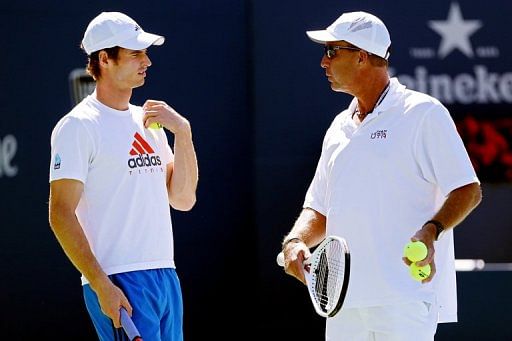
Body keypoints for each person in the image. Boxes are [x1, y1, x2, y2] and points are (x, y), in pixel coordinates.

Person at [280, 11, 482, 341]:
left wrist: (431, 231)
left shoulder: (422, 113)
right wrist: (296, 240)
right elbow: (318, 209)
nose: (323, 62)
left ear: (361, 57)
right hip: (343, 302)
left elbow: (467, 189)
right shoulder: (337, 128)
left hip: (405, 299)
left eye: (332, 52)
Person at [48, 11, 198, 340]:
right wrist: (101, 284)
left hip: (165, 276)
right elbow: (60, 214)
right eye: (135, 54)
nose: (147, 62)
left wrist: (183, 133)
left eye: (145, 53)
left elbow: (183, 199)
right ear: (105, 59)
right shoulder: (78, 126)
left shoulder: (148, 122)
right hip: (119, 280)